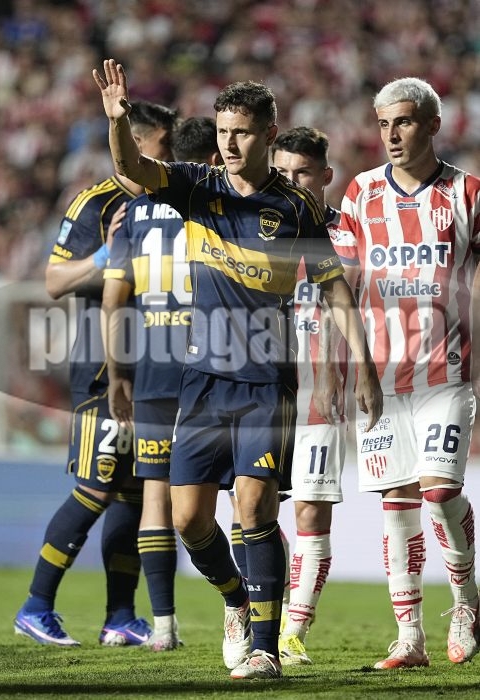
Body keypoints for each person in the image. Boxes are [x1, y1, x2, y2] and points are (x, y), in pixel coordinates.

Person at [93, 58, 382, 681]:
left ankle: (265, 649)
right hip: (202, 381)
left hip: (266, 382)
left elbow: (334, 288)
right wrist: (117, 120)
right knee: (188, 520)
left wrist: (363, 365)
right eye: (223, 130)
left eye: (242, 132)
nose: (228, 143)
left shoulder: (295, 207)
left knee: (254, 508)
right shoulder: (196, 185)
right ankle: (234, 599)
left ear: (268, 134)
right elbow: (132, 167)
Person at [14, 100, 179, 648]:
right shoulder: (96, 202)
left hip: (148, 369)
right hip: (101, 369)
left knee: (130, 492)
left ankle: (120, 616)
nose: (170, 156)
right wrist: (108, 253)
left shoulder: (167, 200)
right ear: (136, 145)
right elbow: (54, 281)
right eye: (164, 145)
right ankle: (36, 605)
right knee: (96, 485)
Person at [334, 76, 480, 669]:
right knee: (396, 502)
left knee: (439, 492)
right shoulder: (361, 194)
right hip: (381, 379)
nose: (391, 134)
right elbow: (341, 288)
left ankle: (466, 601)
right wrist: (353, 368)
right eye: (384, 123)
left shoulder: (468, 193)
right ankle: (410, 636)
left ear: (432, 125)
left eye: (404, 121)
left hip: (446, 373)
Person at [101, 115, 221, 651]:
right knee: (242, 494)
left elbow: (113, 301)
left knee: (155, 496)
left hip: (150, 369)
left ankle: (164, 626)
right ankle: (249, 615)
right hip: (209, 369)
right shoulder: (209, 200)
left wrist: (118, 374)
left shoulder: (133, 214)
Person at [271, 127, 350, 666]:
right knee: (252, 509)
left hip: (323, 394)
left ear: (325, 176)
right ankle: (266, 597)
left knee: (310, 511)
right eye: (283, 173)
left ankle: (293, 629)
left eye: (302, 173)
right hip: (266, 391)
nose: (292, 182)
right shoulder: (262, 227)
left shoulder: (348, 233)